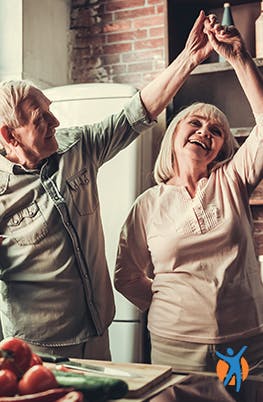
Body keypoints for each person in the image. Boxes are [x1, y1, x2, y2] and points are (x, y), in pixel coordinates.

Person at [0, 11, 215, 359]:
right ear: (10, 136)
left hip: (98, 330)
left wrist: (188, 58)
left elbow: (136, 112)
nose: (56, 121)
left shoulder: (77, 147)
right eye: (42, 118)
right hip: (38, 346)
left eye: (51, 110)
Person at [114, 15, 263, 373]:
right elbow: (127, 275)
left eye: (216, 131)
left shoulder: (232, 180)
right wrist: (173, 306)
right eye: (194, 123)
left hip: (241, 344)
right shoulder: (148, 204)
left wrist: (240, 59)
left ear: (222, 148)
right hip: (173, 344)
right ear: (174, 136)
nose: (204, 131)